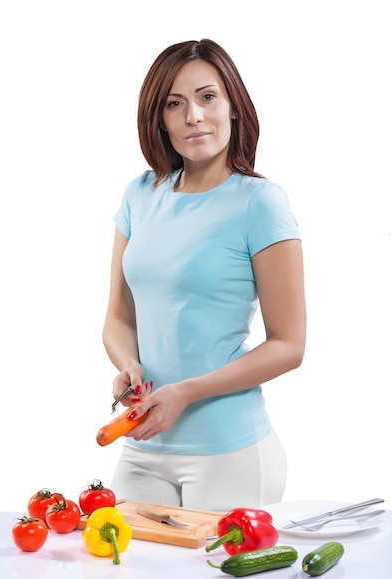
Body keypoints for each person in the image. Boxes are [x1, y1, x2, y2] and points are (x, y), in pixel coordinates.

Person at [102, 39, 306, 512]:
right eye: (175, 104)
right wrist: (128, 365)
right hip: (142, 443)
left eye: (207, 96)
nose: (193, 115)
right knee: (125, 576)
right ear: (160, 119)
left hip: (228, 451)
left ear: (234, 106)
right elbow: (117, 317)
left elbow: (289, 345)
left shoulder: (261, 203)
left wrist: (186, 392)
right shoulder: (139, 195)